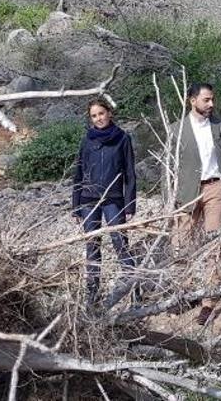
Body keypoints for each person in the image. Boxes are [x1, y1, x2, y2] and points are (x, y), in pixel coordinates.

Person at [171, 83, 221, 326]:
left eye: (212, 99)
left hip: (216, 188)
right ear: (192, 100)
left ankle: (209, 302)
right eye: (206, 100)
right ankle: (186, 292)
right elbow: (168, 168)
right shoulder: (177, 130)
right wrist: (168, 200)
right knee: (182, 242)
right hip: (187, 191)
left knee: (214, 244)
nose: (211, 104)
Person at [72, 97, 137, 310]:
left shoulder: (122, 138)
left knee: (121, 244)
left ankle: (134, 291)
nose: (98, 118)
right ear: (90, 119)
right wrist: (76, 206)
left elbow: (130, 174)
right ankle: (92, 296)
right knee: (92, 247)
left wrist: (130, 206)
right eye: (94, 115)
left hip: (114, 200)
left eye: (101, 113)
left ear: (109, 112)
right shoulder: (87, 140)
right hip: (88, 201)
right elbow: (78, 173)